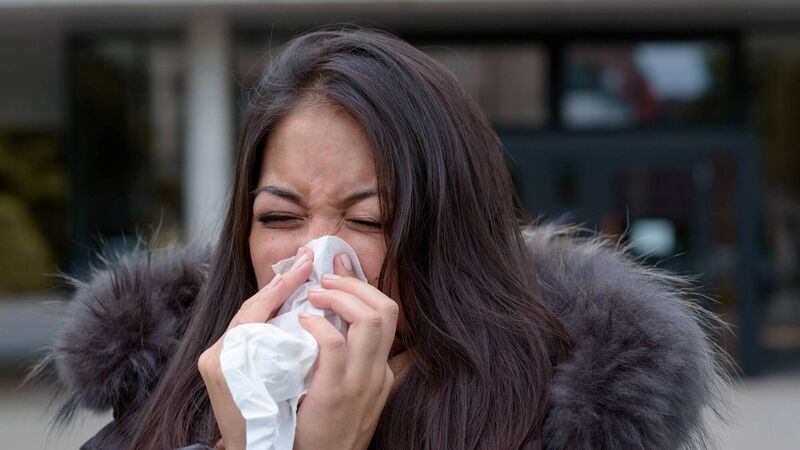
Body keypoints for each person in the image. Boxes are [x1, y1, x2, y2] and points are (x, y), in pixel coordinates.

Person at [32, 26, 731, 449]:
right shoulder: (162, 394)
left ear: (452, 238)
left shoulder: (562, 419)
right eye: (279, 218)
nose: (314, 258)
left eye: (368, 221)